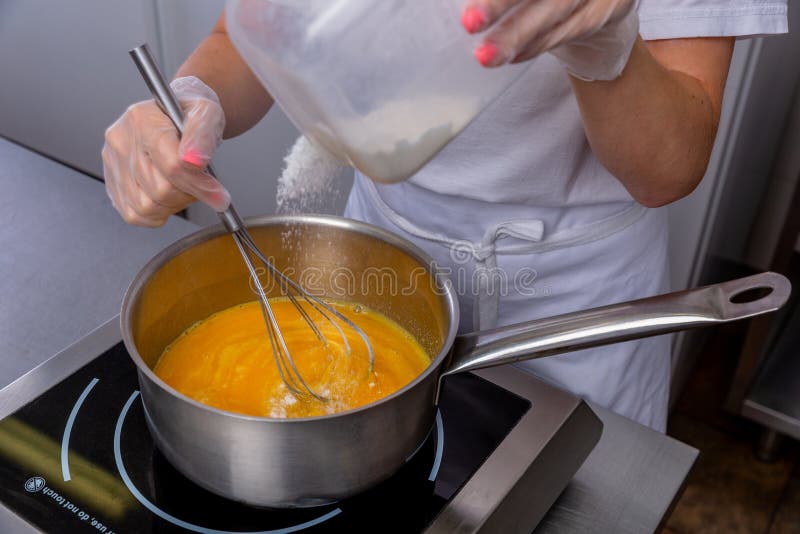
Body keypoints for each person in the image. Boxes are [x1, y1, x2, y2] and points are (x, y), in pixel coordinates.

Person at [103, 0, 788, 431]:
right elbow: (251, 31)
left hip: (577, 291)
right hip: (383, 253)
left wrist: (607, 51)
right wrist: (189, 99)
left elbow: (670, 168)